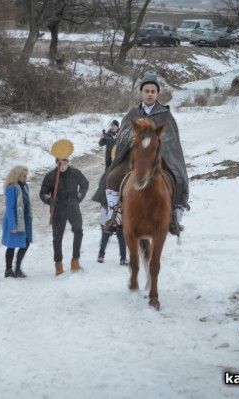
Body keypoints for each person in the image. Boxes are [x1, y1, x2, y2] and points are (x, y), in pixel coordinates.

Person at [92, 72, 189, 236]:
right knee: (111, 177)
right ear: (141, 93)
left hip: (159, 158)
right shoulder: (133, 113)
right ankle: (114, 215)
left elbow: (172, 141)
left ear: (157, 93)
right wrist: (133, 137)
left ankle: (174, 217)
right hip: (133, 158)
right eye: (146, 91)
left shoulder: (164, 114)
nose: (149, 94)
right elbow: (122, 134)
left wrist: (156, 141)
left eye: (153, 91)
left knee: (177, 178)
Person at [40, 157, 89, 276]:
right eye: (60, 163)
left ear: (68, 163)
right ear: (56, 164)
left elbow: (84, 184)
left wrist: (80, 196)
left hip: (73, 207)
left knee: (78, 231)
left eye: (65, 163)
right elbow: (43, 193)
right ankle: (58, 264)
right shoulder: (50, 176)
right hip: (58, 209)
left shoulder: (75, 173)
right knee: (57, 237)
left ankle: (75, 260)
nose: (62, 166)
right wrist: (49, 200)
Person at [1, 165, 33, 278]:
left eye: (26, 176)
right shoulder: (11, 188)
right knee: (12, 245)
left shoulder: (24, 187)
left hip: (23, 220)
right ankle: (8, 270)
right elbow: (9, 208)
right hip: (13, 220)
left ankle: (18, 268)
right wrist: (13, 226)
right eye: (24, 176)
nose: (26, 178)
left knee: (26, 242)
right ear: (17, 176)